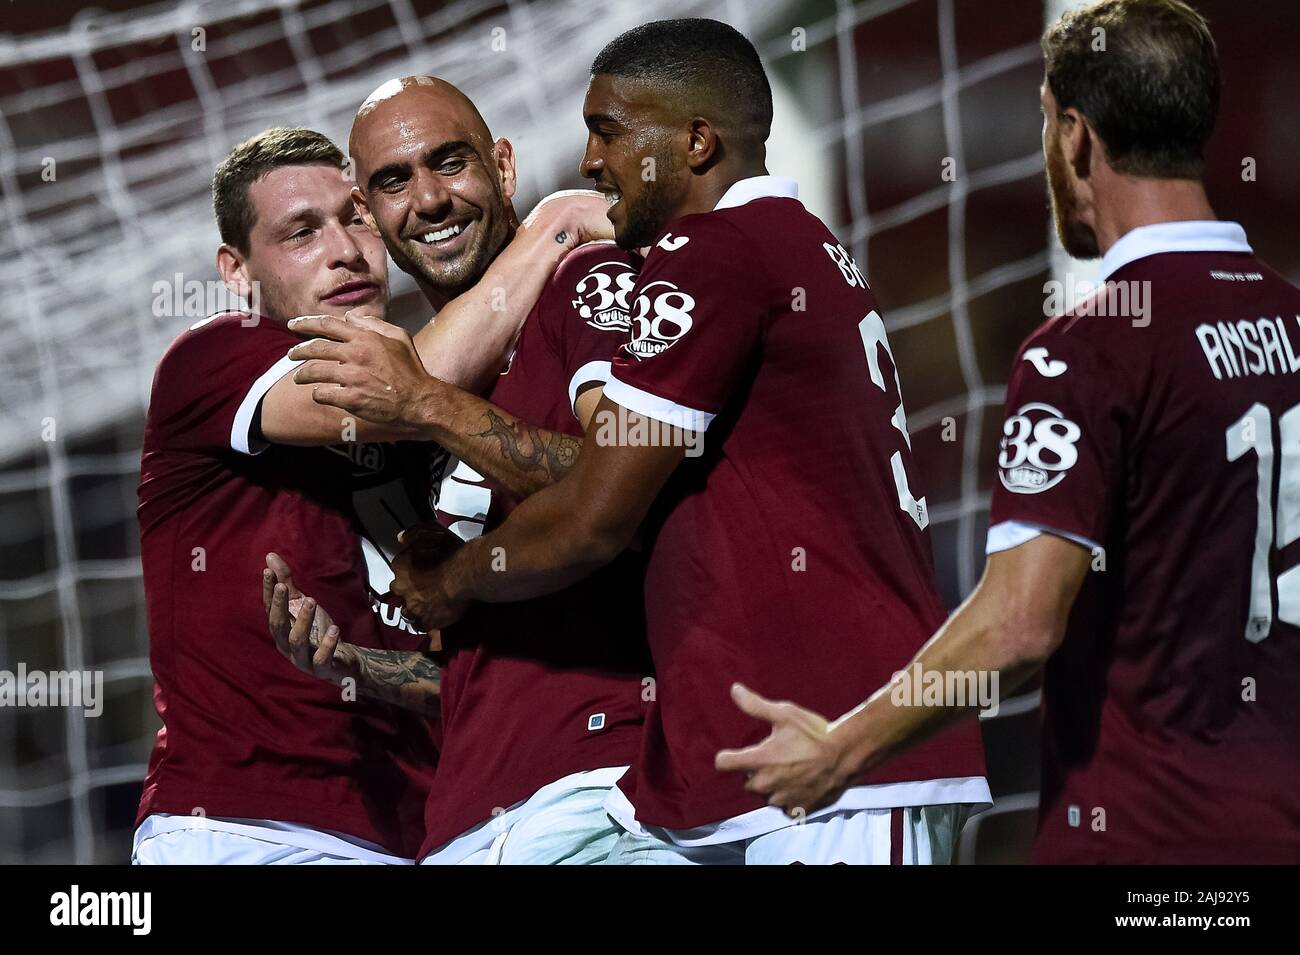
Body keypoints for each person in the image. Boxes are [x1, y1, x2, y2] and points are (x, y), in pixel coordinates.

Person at [339, 21, 988, 865]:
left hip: (834, 744)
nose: (586, 163)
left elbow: (601, 509)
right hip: (773, 762)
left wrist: (451, 569)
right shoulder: (792, 247)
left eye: (608, 132)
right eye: (392, 180)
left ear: (694, 140)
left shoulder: (700, 253)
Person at [716, 0, 1300, 864]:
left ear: (1073, 134)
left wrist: (843, 746)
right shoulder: (1290, 320)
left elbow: (1021, 626)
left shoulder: (1085, 352)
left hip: (1148, 847)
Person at [136, 125, 604, 863]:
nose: (344, 248)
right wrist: (553, 225)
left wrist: (354, 666)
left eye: (354, 215)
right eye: (300, 232)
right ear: (236, 270)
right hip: (245, 826)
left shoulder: (443, 429)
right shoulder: (217, 357)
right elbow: (396, 392)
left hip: (411, 833)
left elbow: (449, 678)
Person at [278, 76, 652, 864]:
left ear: (505, 168)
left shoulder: (589, 282)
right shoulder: (416, 389)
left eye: (450, 163)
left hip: (610, 789)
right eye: (393, 182)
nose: (429, 200)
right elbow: (474, 666)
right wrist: (359, 664)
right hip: (469, 822)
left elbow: (629, 494)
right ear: (373, 217)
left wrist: (429, 406)